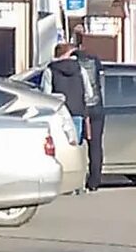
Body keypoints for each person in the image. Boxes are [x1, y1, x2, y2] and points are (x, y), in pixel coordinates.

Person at [44, 34, 106, 191]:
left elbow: (45, 94)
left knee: (67, 146)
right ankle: (92, 182)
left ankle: (67, 182)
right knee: (93, 146)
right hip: (89, 109)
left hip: (65, 112)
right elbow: (92, 90)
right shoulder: (90, 64)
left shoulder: (51, 69)